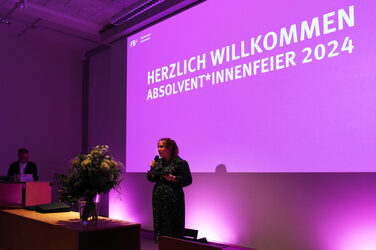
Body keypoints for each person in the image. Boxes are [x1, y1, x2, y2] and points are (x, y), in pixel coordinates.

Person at [147, 138, 192, 242]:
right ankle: (161, 245)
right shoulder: (158, 162)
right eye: (158, 146)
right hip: (158, 199)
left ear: (170, 148)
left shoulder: (180, 162)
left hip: (173, 199)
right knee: (160, 225)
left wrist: (173, 178)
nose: (159, 149)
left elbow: (188, 180)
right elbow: (150, 178)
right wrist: (152, 171)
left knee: (172, 227)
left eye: (162, 147)